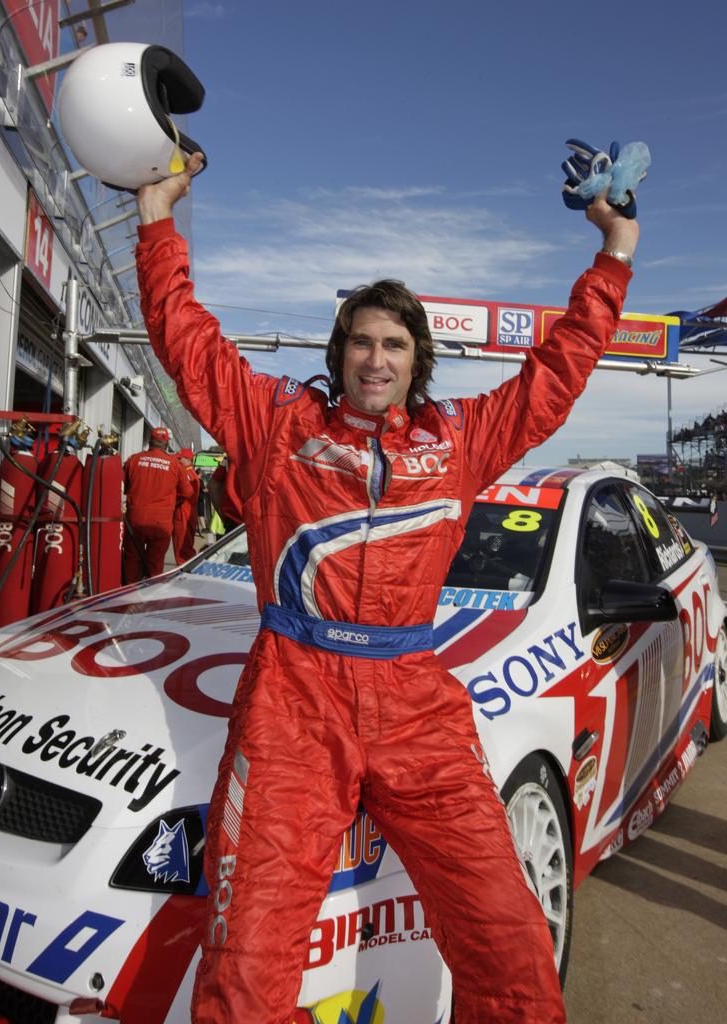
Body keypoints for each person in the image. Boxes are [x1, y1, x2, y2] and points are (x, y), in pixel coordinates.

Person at [135, 151, 638, 1024]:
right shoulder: (275, 424)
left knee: (510, 942)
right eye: (361, 340)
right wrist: (155, 217)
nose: (376, 357)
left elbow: (558, 374)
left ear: (418, 360)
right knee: (246, 971)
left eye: (395, 344)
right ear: (339, 353)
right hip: (295, 697)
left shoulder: (465, 438)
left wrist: (615, 250)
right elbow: (185, 335)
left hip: (417, 703)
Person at [123, 426, 193, 581]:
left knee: (132, 559)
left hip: (135, 516)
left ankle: (128, 595)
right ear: (167, 445)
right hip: (161, 520)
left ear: (149, 442)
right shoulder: (175, 465)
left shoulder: (133, 459)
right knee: (155, 563)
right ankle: (151, 594)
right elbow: (188, 492)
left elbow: (125, 485)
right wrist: (172, 501)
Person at [172, 446, 201, 562]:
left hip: (184, 512)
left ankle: (185, 574)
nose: (178, 461)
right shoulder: (190, 473)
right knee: (184, 547)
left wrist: (171, 502)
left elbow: (186, 493)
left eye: (180, 458)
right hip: (186, 512)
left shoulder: (187, 474)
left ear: (188, 460)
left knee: (182, 549)